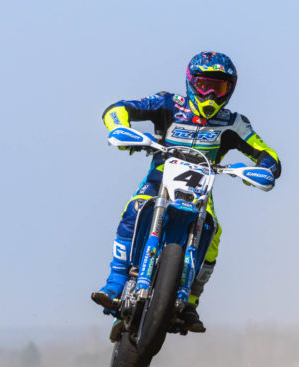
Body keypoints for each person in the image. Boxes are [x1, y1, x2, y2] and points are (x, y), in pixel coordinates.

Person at [91, 51, 281, 333]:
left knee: (212, 232)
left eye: (219, 88)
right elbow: (117, 108)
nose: (210, 95)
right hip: (159, 180)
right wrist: (120, 127)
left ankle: (190, 301)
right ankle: (116, 281)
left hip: (201, 190)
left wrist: (264, 168)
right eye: (204, 85)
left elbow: (268, 154)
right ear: (191, 82)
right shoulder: (168, 103)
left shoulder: (234, 122)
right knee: (135, 209)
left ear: (231, 89)